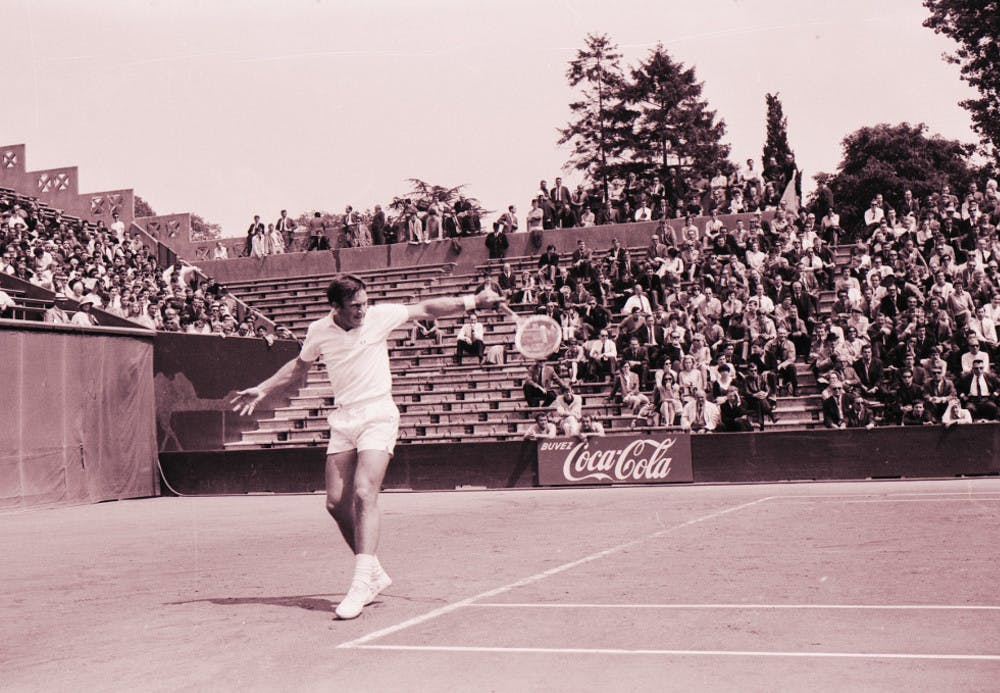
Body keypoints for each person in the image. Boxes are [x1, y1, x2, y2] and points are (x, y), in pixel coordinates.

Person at [230, 274, 500, 620]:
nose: (362, 310)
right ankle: (371, 571)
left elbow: (426, 308)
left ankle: (360, 582)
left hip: (377, 413)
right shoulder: (319, 331)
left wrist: (473, 302)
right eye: (355, 306)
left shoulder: (379, 316)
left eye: (364, 303)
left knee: (363, 492)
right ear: (336, 307)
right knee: (334, 502)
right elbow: (299, 367)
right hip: (344, 418)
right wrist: (263, 388)